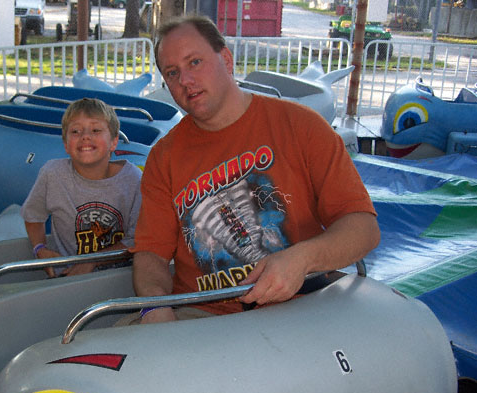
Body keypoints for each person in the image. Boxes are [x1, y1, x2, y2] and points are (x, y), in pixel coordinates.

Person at [131, 15, 380, 323]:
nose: (185, 80)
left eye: (195, 62)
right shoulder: (163, 157)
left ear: (226, 58)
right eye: (172, 72)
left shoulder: (301, 126)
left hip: (302, 308)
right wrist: (155, 305)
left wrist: (302, 259)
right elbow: (151, 254)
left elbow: (363, 228)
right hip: (201, 316)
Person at [21, 97, 142, 277]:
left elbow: (136, 240)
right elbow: (33, 215)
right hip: (65, 277)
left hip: (117, 279)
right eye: (76, 131)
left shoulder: (133, 179)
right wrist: (39, 248)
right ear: (66, 144)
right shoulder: (52, 173)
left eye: (95, 130)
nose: (85, 136)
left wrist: (92, 261)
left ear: (114, 142)